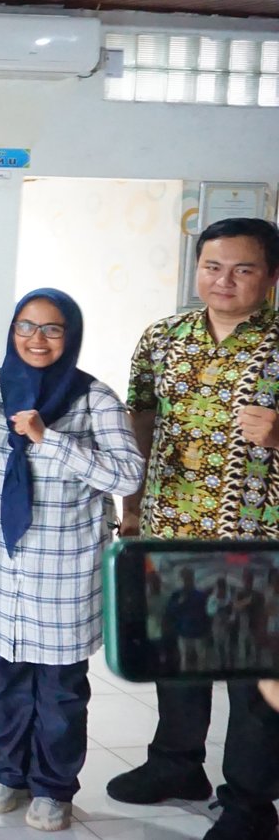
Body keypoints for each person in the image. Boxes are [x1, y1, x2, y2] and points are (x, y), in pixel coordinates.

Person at [0, 289, 145, 832]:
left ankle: (53, 786)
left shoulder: (94, 399)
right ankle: (9, 771)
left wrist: (49, 440)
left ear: (70, 336)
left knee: (59, 692)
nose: (37, 339)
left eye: (52, 329)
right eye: (26, 326)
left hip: (61, 571)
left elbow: (128, 476)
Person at [107, 217, 279, 840]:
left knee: (253, 674)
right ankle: (177, 764)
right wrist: (131, 508)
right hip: (170, 528)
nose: (224, 280)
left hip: (258, 541)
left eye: (242, 269)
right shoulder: (163, 338)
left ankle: (250, 803)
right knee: (177, 656)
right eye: (212, 267)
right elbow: (140, 424)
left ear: (271, 276)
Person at [165, 568, 212, 673]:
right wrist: (179, 603)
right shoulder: (177, 595)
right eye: (184, 578)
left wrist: (208, 630)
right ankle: (185, 679)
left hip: (199, 633)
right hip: (183, 632)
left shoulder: (200, 595)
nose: (187, 581)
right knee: (184, 660)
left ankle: (202, 679)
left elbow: (206, 614)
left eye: (188, 578)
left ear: (192, 578)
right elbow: (170, 611)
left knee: (202, 660)